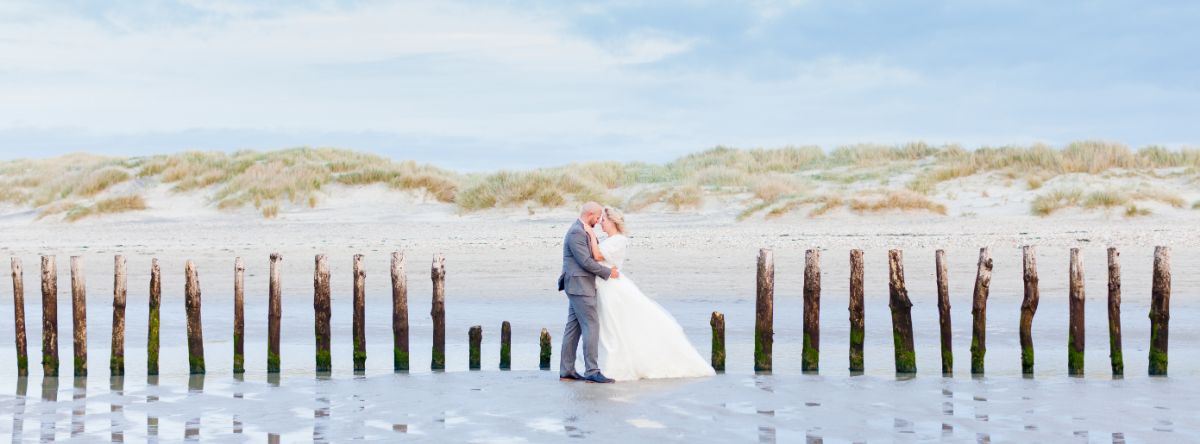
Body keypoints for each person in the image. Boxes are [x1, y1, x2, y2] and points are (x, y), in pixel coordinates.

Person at [584, 206, 715, 381]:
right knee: (609, 327)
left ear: (613, 222)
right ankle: (607, 364)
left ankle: (617, 365)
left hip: (612, 287)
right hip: (605, 284)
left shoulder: (619, 240)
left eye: (604, 221)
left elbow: (598, 256)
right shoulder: (610, 239)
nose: (601, 224)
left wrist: (590, 235)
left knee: (614, 326)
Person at [557, 202, 618, 383]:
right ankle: (592, 370)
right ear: (590, 214)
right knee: (591, 325)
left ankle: (567, 370)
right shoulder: (576, 232)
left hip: (577, 285)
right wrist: (609, 273)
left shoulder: (582, 230)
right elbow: (586, 261)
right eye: (597, 217)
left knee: (573, 328)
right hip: (579, 285)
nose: (598, 220)